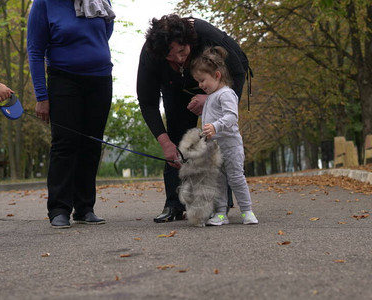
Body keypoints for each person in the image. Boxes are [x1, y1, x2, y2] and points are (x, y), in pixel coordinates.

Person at [137, 14, 250, 223]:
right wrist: (165, 143)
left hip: (220, 83)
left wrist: (211, 98)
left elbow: (237, 71)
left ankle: (221, 205)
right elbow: (147, 102)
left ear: (189, 42)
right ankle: (174, 204)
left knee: (218, 140)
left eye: (182, 51)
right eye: (171, 57)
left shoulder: (207, 36)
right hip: (174, 87)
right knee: (177, 139)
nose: (179, 59)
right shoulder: (151, 55)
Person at [27, 0, 115, 228]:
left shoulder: (100, 1)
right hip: (64, 78)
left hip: (100, 79)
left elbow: (106, 32)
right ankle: (59, 209)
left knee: (92, 143)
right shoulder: (44, 4)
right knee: (65, 144)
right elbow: (35, 51)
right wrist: (41, 96)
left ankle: (85, 208)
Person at [191, 46, 258, 225]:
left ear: (217, 75)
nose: (200, 85)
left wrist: (215, 126)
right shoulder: (211, 96)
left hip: (230, 145)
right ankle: (221, 213)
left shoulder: (226, 93)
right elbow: (212, 116)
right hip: (214, 147)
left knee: (236, 177)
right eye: (198, 81)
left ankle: (247, 211)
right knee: (218, 179)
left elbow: (231, 116)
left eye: (202, 80)